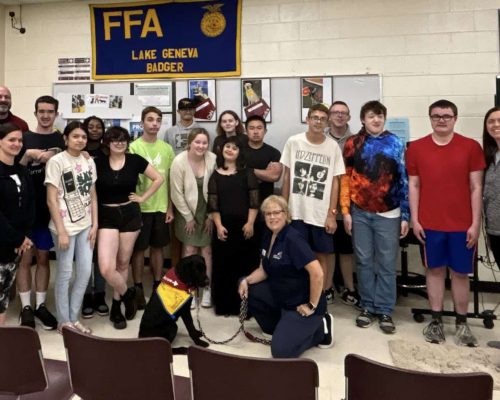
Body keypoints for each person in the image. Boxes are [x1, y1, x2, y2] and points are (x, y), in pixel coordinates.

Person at [406, 99, 485, 346]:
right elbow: (414, 185)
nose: (441, 119)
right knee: (435, 270)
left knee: (461, 273)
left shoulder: (471, 147)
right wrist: (415, 220)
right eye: (436, 115)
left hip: (462, 225)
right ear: (430, 118)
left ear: (455, 118)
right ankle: (437, 320)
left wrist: (475, 224)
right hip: (429, 224)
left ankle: (462, 324)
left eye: (446, 116)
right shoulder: (416, 148)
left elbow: (476, 187)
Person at [340, 100, 409, 334]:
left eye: (380, 116)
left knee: (387, 263)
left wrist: (405, 215)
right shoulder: (352, 144)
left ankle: (385, 309)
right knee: (364, 261)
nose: (376, 120)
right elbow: (345, 180)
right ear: (363, 119)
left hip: (389, 213)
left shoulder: (395, 142)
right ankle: (367, 306)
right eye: (371, 116)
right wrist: (346, 211)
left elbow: (403, 180)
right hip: (360, 212)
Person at [238, 195, 333, 358]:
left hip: (300, 304)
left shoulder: (293, 238)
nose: (272, 217)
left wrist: (311, 305)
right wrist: (246, 280)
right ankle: (279, 328)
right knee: (251, 289)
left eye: (276, 212)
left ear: (286, 214)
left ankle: (320, 330)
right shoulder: (268, 235)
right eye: (268, 214)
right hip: (282, 297)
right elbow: (264, 270)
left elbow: (317, 273)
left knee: (280, 351)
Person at [95, 126, 163, 329]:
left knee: (123, 263)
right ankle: (128, 293)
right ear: (107, 142)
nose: (119, 142)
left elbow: (159, 178)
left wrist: (142, 197)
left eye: (123, 139)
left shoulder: (135, 160)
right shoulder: (96, 163)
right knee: (107, 267)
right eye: (115, 139)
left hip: (130, 215)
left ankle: (117, 307)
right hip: (106, 215)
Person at [281, 104, 345, 301]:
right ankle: (301, 294)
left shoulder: (332, 146)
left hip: (320, 213)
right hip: (296, 211)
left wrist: (331, 214)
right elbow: (287, 177)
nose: (318, 121)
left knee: (321, 255)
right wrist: (284, 209)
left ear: (327, 123)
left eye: (322, 118)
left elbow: (335, 181)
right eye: (314, 117)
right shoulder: (294, 142)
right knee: (296, 255)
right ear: (307, 119)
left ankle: (322, 296)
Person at [45, 121, 98, 334]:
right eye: (75, 136)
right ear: (66, 138)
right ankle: (63, 322)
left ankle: (73, 317)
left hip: (86, 224)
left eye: (83, 137)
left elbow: (93, 195)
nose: (80, 140)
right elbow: (51, 200)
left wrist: (95, 224)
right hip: (63, 226)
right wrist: (62, 231)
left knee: (85, 272)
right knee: (65, 273)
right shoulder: (56, 161)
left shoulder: (89, 161)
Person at [17, 95, 63, 330]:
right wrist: (28, 155)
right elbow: (13, 170)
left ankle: (41, 305)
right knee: (25, 258)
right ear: (35, 113)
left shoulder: (61, 139)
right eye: (41, 111)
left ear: (56, 113)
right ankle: (26, 307)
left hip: (50, 210)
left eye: (50, 111)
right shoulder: (23, 138)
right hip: (25, 209)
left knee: (44, 258)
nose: (46, 115)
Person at [208, 135, 260, 315]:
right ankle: (225, 305)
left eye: (234, 148)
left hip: (246, 226)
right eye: (227, 146)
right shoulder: (215, 175)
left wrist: (250, 223)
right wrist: (219, 225)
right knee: (224, 266)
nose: (230, 150)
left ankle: (246, 306)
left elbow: (254, 201)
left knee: (245, 264)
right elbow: (213, 204)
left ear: (240, 153)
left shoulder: (247, 173)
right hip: (224, 227)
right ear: (222, 150)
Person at [130, 106, 175, 309]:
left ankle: (158, 285)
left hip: (161, 207)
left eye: (158, 120)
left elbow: (172, 181)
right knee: (139, 250)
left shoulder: (167, 148)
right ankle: (138, 287)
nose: (154, 123)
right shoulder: (133, 147)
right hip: (140, 208)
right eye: (150, 119)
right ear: (142, 123)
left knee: (158, 248)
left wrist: (170, 208)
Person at [170, 128, 216, 308]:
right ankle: (188, 289)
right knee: (189, 250)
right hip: (186, 210)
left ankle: (206, 289)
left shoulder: (213, 159)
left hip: (207, 210)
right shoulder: (179, 161)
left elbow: (216, 190)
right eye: (197, 142)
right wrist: (188, 217)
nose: (201, 146)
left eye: (204, 143)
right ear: (190, 142)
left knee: (207, 250)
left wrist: (211, 215)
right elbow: (176, 193)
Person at [326, 101, 360, 307]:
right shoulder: (321, 139)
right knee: (327, 248)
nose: (339, 116)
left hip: (350, 204)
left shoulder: (357, 141)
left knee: (346, 249)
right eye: (335, 112)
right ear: (329, 116)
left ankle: (350, 289)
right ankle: (327, 287)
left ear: (349, 117)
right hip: (326, 204)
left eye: (343, 113)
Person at [0, 123, 34, 325]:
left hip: (17, 245)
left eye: (20, 140)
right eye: (11, 139)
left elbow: (30, 204)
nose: (17, 144)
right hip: (5, 240)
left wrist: (25, 236)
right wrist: (17, 237)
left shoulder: (23, 171)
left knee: (3, 295)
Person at [164, 98, 200, 272]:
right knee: (177, 234)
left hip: (197, 183)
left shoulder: (202, 130)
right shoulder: (170, 132)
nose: (187, 111)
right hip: (177, 183)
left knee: (197, 230)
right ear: (178, 111)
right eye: (183, 108)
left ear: (195, 110)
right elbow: (168, 159)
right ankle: (176, 271)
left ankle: (196, 270)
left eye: (190, 108)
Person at [81, 115, 108, 319]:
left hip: (105, 205)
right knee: (83, 255)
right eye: (91, 127)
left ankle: (99, 293)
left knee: (101, 253)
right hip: (82, 207)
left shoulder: (108, 150)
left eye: (99, 127)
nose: (95, 130)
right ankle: (85, 294)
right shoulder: (77, 151)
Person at [483, 106, 500, 271]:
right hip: (495, 229)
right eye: (491, 121)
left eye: (499, 120)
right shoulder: (489, 157)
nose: (495, 124)